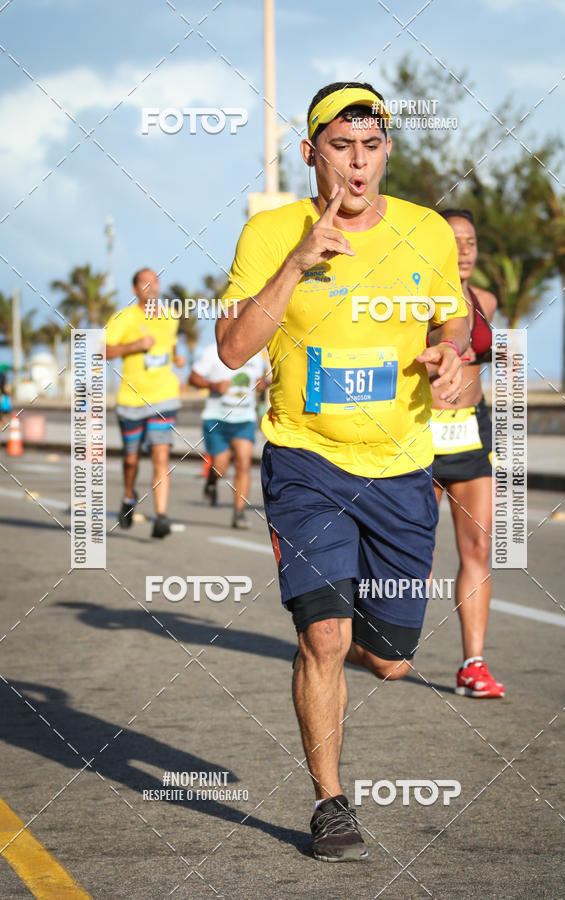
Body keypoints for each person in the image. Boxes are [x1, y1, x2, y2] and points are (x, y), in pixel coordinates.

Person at [216, 81, 469, 862]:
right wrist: (296, 262)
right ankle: (330, 802)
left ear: (387, 149)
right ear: (311, 153)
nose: (357, 165)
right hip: (307, 460)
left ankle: (361, 622)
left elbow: (450, 316)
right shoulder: (270, 232)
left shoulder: (426, 232)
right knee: (322, 636)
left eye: (370, 146)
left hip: (400, 468)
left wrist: (454, 358)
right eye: (340, 147)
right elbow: (230, 349)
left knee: (389, 659)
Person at [429, 209, 503, 698]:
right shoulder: (416, 299)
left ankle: (473, 664)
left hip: (471, 433)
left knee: (478, 549)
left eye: (471, 240)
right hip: (419, 432)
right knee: (410, 554)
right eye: (454, 240)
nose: (465, 248)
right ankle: (379, 637)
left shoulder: (487, 302)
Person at [105, 269, 186, 538]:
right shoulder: (123, 318)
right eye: (145, 282)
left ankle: (161, 516)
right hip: (130, 399)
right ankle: (128, 497)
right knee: (130, 459)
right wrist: (135, 345)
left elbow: (170, 346)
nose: (152, 286)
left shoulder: (171, 315)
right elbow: (102, 350)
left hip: (164, 397)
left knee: (160, 455)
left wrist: (177, 358)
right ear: (134, 289)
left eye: (156, 280)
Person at [188, 343, 269, 528]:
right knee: (220, 468)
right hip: (216, 418)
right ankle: (212, 480)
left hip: (244, 419)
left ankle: (239, 513)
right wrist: (214, 385)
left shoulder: (255, 355)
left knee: (243, 463)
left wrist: (263, 383)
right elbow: (193, 378)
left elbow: (260, 382)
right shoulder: (211, 352)